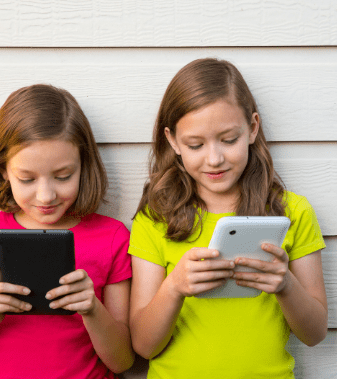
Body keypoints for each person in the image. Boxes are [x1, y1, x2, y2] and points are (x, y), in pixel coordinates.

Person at [128, 58, 328, 378]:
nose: (215, 158)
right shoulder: (155, 219)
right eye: (196, 144)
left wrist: (286, 286)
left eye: (229, 139)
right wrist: (175, 287)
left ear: (252, 128)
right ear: (173, 141)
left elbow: (315, 332)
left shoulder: (292, 212)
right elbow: (143, 344)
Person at [0, 85, 134, 379]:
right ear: (3, 169)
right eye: (26, 178)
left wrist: (92, 309)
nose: (45, 195)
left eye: (63, 176)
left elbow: (122, 361)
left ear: (83, 165)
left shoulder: (112, 238)